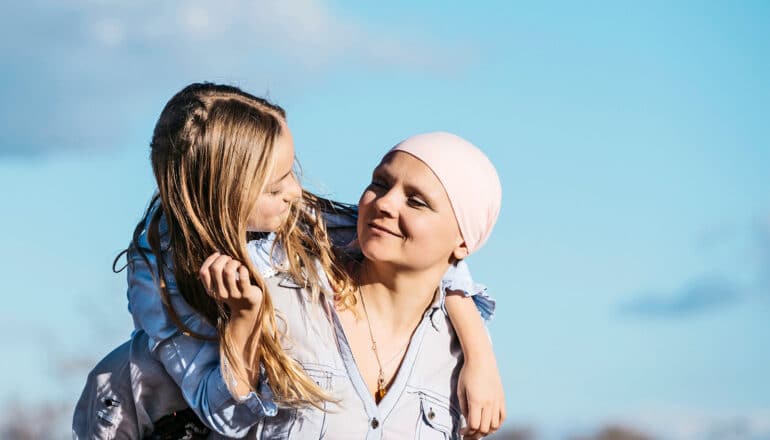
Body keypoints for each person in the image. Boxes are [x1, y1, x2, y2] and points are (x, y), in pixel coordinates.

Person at [72, 84, 503, 438]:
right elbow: (223, 412)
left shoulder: (305, 226)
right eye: (275, 186)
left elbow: (438, 257)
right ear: (225, 194)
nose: (296, 193)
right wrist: (244, 320)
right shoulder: (165, 281)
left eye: (291, 172)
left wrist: (480, 354)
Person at [199, 131, 503, 439]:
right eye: (380, 184)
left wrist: (479, 357)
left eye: (416, 201)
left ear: (463, 242)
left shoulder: (459, 358)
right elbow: (225, 418)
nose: (385, 203)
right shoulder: (275, 295)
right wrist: (242, 326)